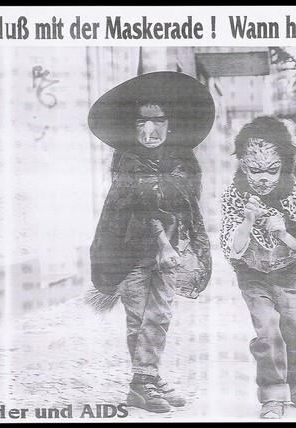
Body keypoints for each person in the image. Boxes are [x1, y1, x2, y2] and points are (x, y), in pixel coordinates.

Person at [87, 71, 215, 413]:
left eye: (158, 120)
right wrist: (161, 242)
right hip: (128, 252)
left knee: (159, 312)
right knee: (140, 315)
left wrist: (175, 245)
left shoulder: (183, 163)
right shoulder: (128, 163)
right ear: (133, 127)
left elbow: (184, 210)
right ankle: (144, 381)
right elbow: (141, 211)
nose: (150, 130)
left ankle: (146, 379)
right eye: (142, 121)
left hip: (168, 251)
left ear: (170, 124)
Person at [219, 116, 296, 419]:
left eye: (272, 170)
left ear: (284, 164)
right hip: (252, 273)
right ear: (241, 163)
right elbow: (232, 249)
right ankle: (273, 393)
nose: (263, 178)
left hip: (289, 272)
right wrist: (248, 222)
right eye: (254, 170)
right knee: (268, 332)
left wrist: (284, 232)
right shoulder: (233, 196)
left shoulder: (292, 193)